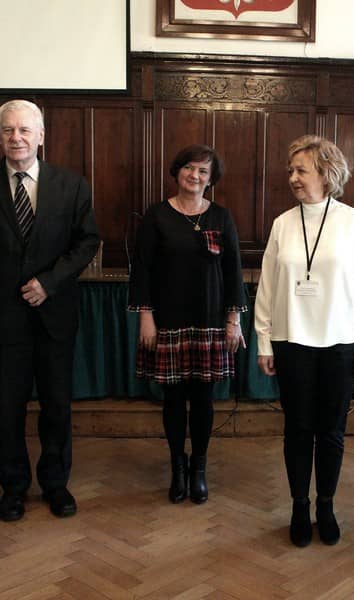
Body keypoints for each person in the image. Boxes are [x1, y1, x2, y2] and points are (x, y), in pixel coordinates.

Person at [0, 99, 100, 522]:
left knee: (57, 406)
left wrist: (49, 283)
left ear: (41, 136)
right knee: (8, 409)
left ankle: (55, 484)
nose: (16, 138)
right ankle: (13, 487)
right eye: (8, 130)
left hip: (55, 316)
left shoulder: (72, 185)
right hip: (2, 318)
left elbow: (87, 242)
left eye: (24, 130)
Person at [255, 135, 354, 547]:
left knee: (331, 432)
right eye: (290, 170)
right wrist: (264, 342)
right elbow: (267, 288)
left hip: (340, 343)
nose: (293, 177)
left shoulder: (353, 220)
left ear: (327, 174)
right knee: (297, 430)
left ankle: (325, 505)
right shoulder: (282, 223)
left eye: (301, 170)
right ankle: (299, 506)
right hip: (291, 341)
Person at [128, 145, 247, 505]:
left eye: (203, 171)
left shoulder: (221, 217)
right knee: (174, 399)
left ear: (211, 179)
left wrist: (234, 320)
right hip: (167, 323)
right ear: (177, 171)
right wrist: (145, 317)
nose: (195, 176)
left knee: (204, 399)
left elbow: (234, 272)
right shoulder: (156, 216)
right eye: (189, 168)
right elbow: (142, 270)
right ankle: (177, 467)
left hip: (210, 323)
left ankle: (199, 468)